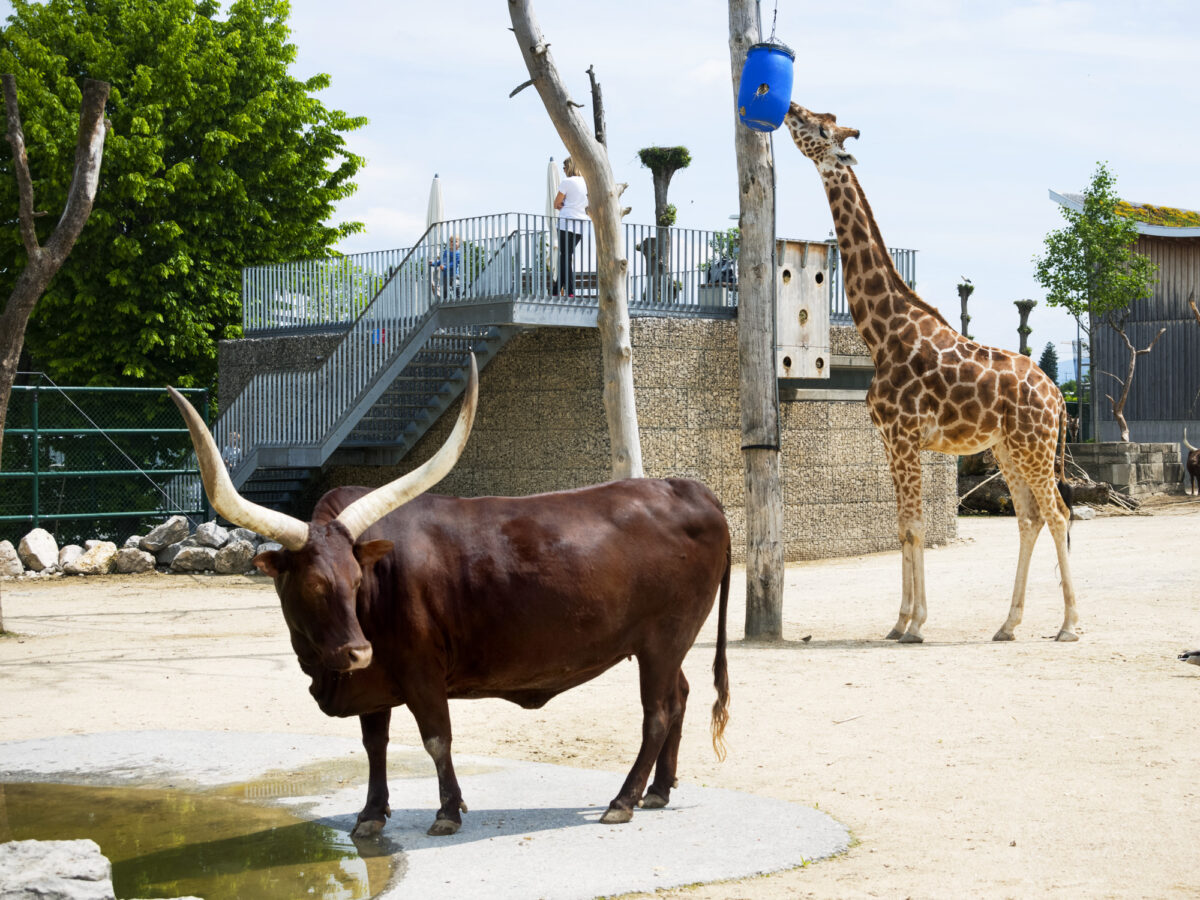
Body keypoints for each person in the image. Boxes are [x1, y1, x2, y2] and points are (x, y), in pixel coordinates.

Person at [552, 157, 589, 297]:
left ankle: (570, 291)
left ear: (570, 167)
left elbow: (556, 203)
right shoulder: (587, 182)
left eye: (564, 167)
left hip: (566, 222)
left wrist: (564, 204)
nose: (563, 170)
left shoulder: (567, 182)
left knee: (564, 256)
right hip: (581, 223)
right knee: (566, 256)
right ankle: (556, 291)